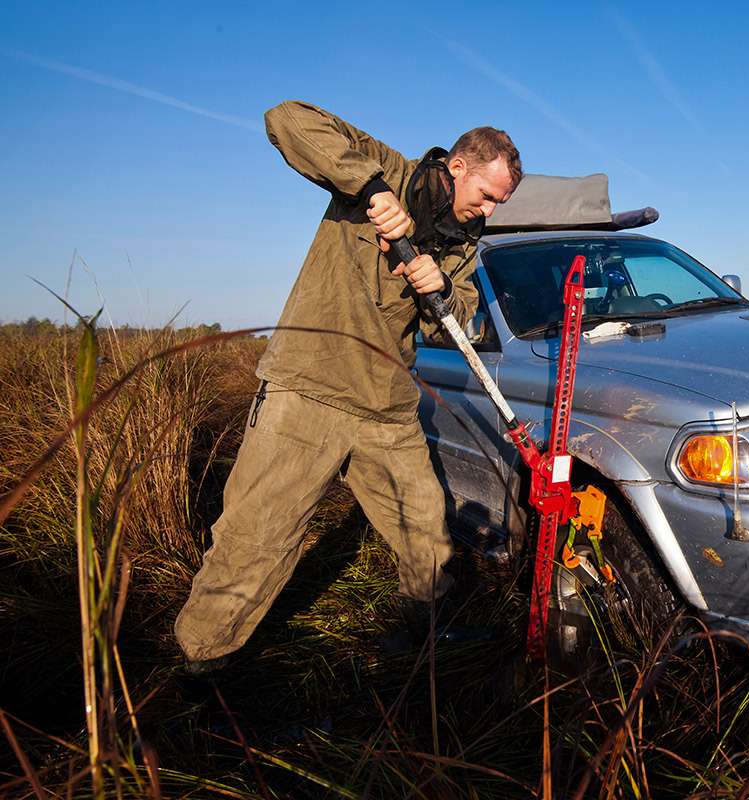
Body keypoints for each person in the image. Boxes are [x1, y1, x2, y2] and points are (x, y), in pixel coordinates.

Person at [174, 100, 521, 672]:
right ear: (458, 166)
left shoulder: (463, 244)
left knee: (425, 533)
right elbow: (285, 118)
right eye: (486, 194)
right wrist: (371, 190)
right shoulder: (383, 167)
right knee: (256, 536)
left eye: (498, 204)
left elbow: (460, 318)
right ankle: (201, 663)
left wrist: (442, 288)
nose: (488, 210)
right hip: (307, 390)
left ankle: (423, 638)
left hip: (386, 407)